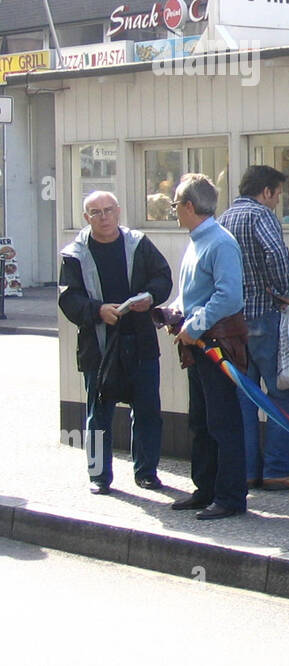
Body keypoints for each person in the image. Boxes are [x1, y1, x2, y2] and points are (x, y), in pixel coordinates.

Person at [58, 191, 173, 494]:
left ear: (119, 211)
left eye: (108, 210)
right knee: (99, 414)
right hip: (98, 346)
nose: (104, 217)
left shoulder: (139, 243)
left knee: (148, 410)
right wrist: (97, 310)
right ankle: (98, 476)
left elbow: (162, 278)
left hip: (140, 342)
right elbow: (68, 298)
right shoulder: (74, 254)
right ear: (87, 218)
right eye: (96, 212)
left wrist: (149, 297)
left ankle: (146, 473)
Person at [220, 165, 289, 490]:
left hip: (233, 321)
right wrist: (286, 290)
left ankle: (247, 470)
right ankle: (278, 469)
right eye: (277, 194)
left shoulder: (225, 218)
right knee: (283, 393)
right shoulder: (261, 216)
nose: (277, 201)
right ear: (266, 192)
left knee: (245, 396)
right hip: (264, 315)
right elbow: (275, 253)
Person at [165, 173, 249, 520]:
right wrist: (173, 310)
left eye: (175, 207)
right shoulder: (198, 240)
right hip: (197, 343)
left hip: (216, 343)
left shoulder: (219, 242)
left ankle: (230, 496)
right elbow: (194, 292)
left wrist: (193, 324)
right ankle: (206, 488)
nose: (174, 213)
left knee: (222, 422)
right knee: (200, 420)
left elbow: (229, 296)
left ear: (188, 206)